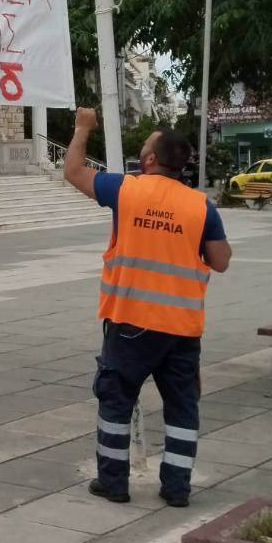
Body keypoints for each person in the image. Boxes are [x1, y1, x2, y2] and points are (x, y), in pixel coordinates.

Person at [64, 110, 232, 507]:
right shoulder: (200, 206)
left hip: (132, 322)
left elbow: (73, 171)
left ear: (152, 159)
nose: (141, 149)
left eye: (144, 146)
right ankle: (176, 489)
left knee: (116, 400)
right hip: (182, 328)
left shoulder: (126, 189)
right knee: (182, 408)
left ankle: (113, 483)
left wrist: (83, 128)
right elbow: (221, 260)